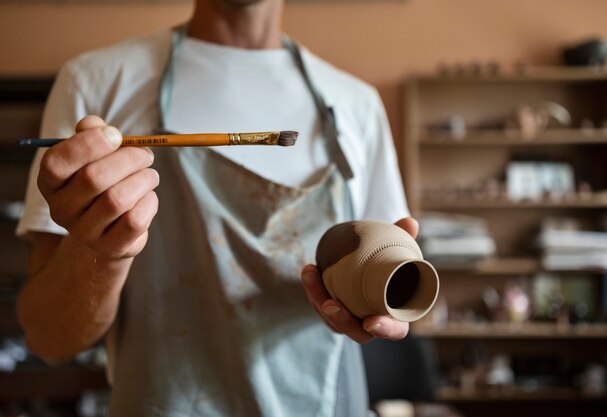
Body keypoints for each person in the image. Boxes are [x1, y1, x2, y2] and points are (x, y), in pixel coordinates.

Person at [16, 0, 416, 415]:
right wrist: (98, 250)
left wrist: (381, 304)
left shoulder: (357, 105)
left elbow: (390, 282)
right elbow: (49, 339)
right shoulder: (96, 83)